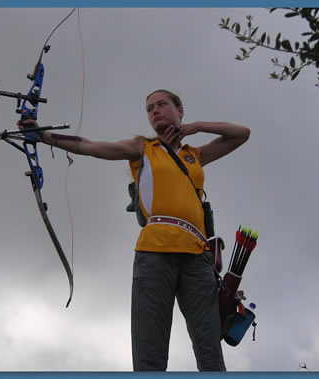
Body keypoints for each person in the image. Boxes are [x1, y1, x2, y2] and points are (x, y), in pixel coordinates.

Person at [19, 89, 250, 371]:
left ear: (180, 110)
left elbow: (241, 134)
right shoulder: (144, 148)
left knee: (209, 348)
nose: (155, 111)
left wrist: (197, 127)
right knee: (149, 349)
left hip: (197, 254)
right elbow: (91, 146)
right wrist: (43, 135)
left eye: (162, 104)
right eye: (150, 108)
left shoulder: (195, 155)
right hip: (154, 251)